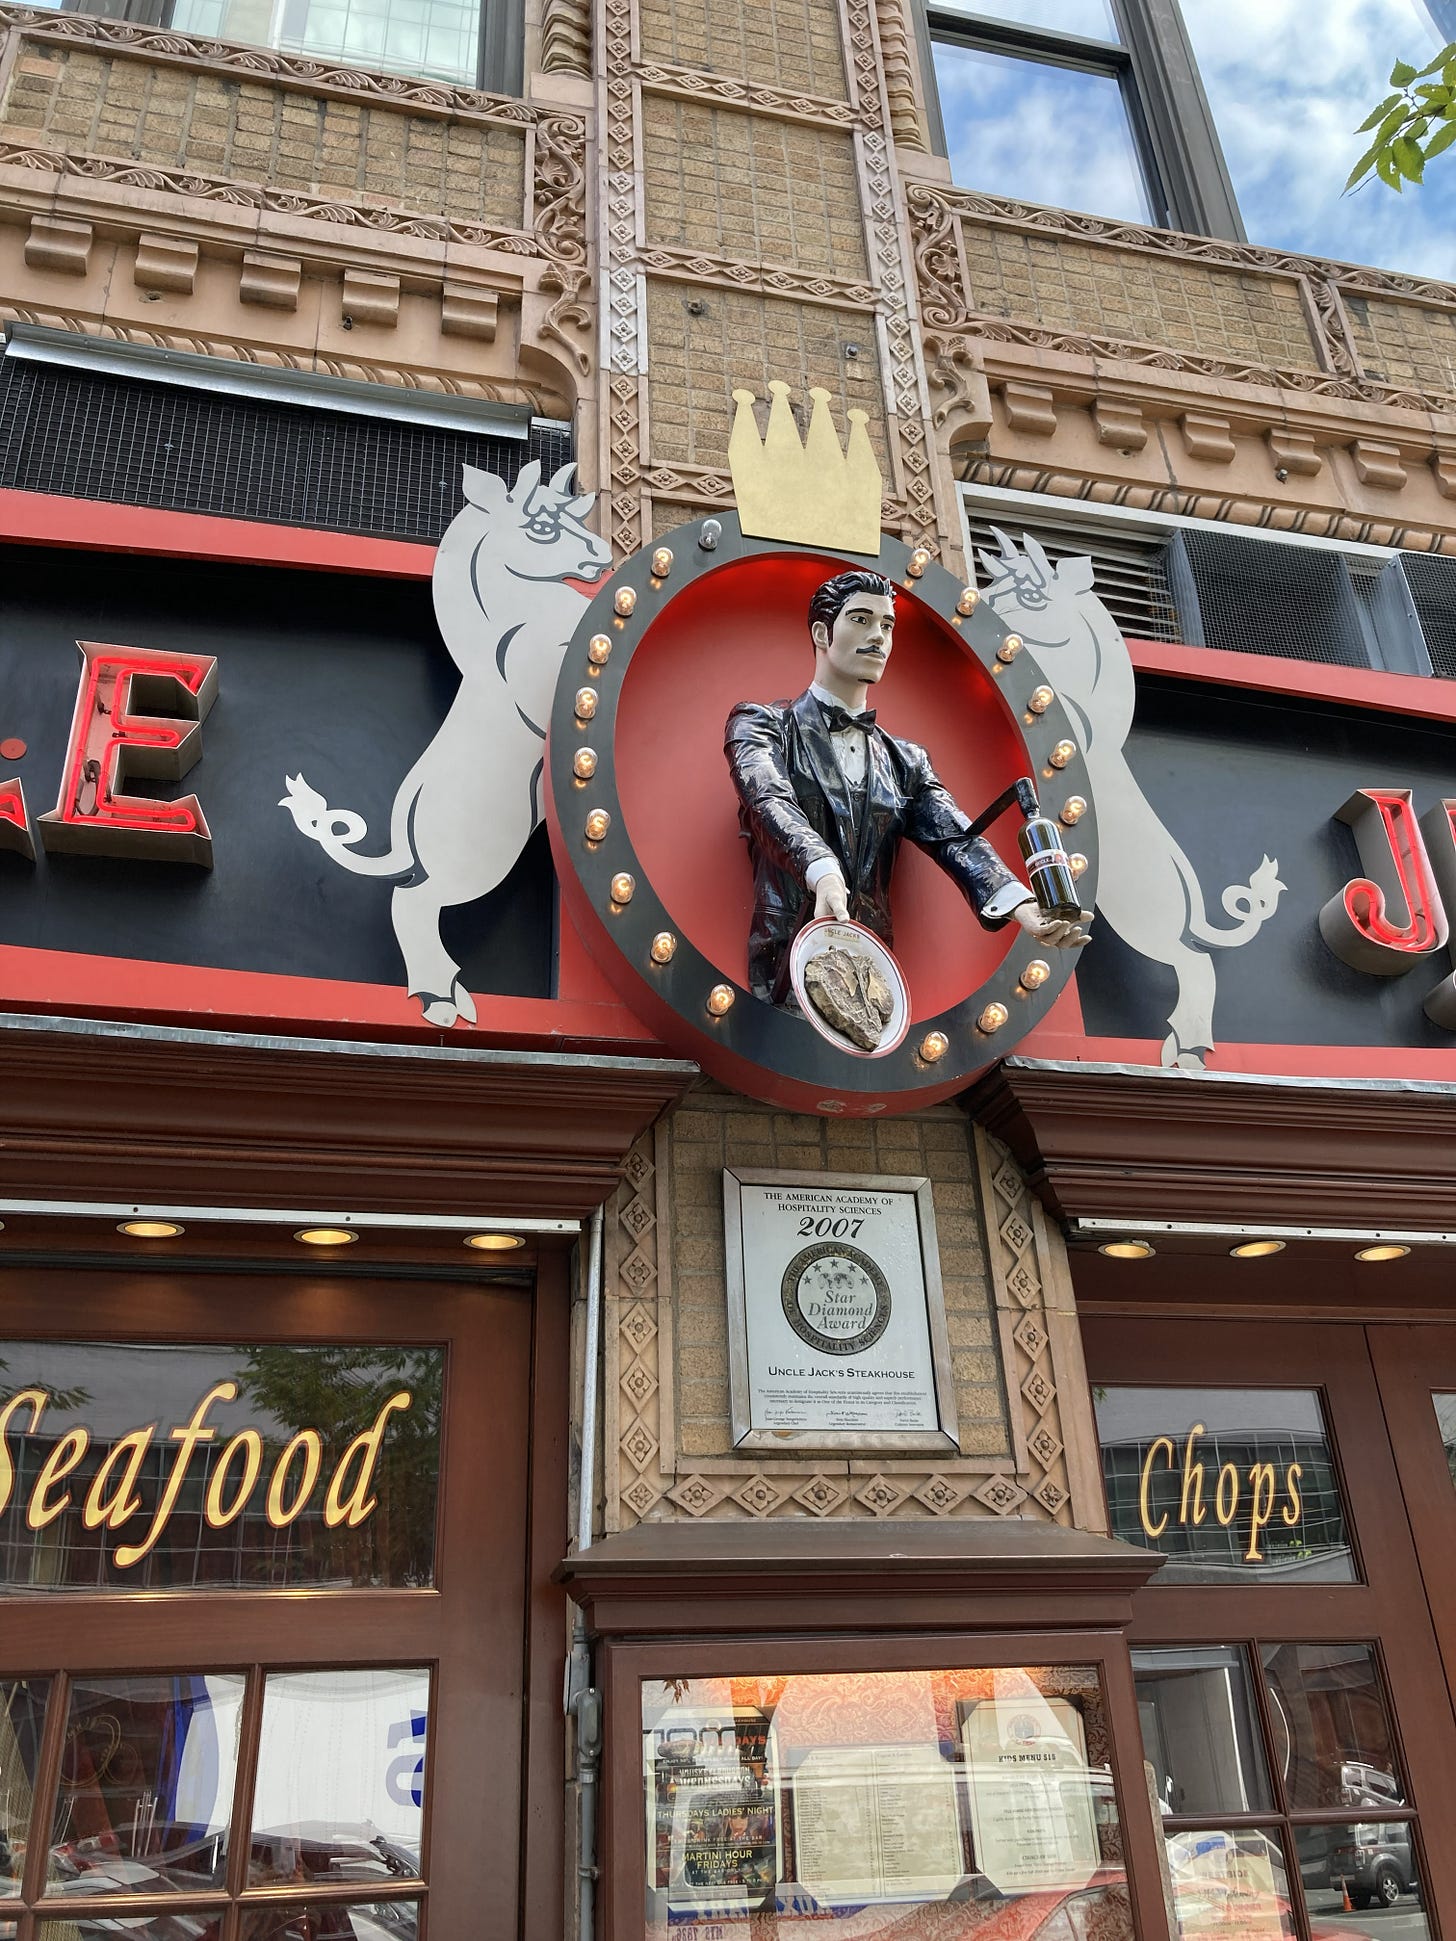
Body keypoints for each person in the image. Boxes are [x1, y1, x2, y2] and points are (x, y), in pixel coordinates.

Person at [724, 568, 1090, 1006]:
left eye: (886, 625)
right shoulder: (761, 724)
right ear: (822, 633)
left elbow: (956, 838)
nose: (877, 636)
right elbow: (768, 800)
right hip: (784, 966)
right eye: (861, 619)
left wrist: (1021, 906)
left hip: (872, 979)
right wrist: (821, 869)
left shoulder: (907, 761)